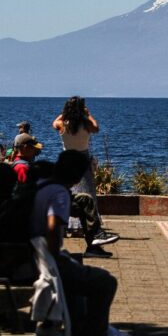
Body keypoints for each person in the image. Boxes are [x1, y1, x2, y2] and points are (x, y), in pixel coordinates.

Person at [31, 150, 129, 336]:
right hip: (41, 259)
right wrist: (54, 257)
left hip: (28, 253)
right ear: (77, 175)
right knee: (105, 282)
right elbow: (52, 227)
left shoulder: (40, 185)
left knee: (75, 271)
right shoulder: (59, 192)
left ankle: (78, 328)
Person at [52, 96, 119, 257]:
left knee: (70, 193)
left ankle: (69, 226)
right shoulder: (86, 125)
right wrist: (87, 114)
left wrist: (64, 113)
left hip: (66, 159)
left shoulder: (63, 125)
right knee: (87, 195)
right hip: (83, 159)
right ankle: (88, 229)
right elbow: (96, 127)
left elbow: (54, 122)